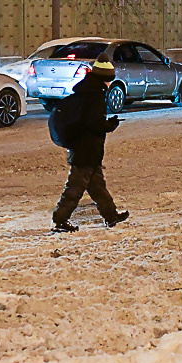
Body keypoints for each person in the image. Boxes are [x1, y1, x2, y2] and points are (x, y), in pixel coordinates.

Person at [52, 58, 130, 233]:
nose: (110, 83)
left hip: (86, 149)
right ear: (105, 78)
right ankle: (60, 220)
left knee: (97, 186)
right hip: (85, 150)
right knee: (75, 187)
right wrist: (110, 125)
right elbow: (93, 123)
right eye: (109, 79)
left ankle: (110, 216)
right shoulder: (95, 95)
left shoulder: (88, 91)